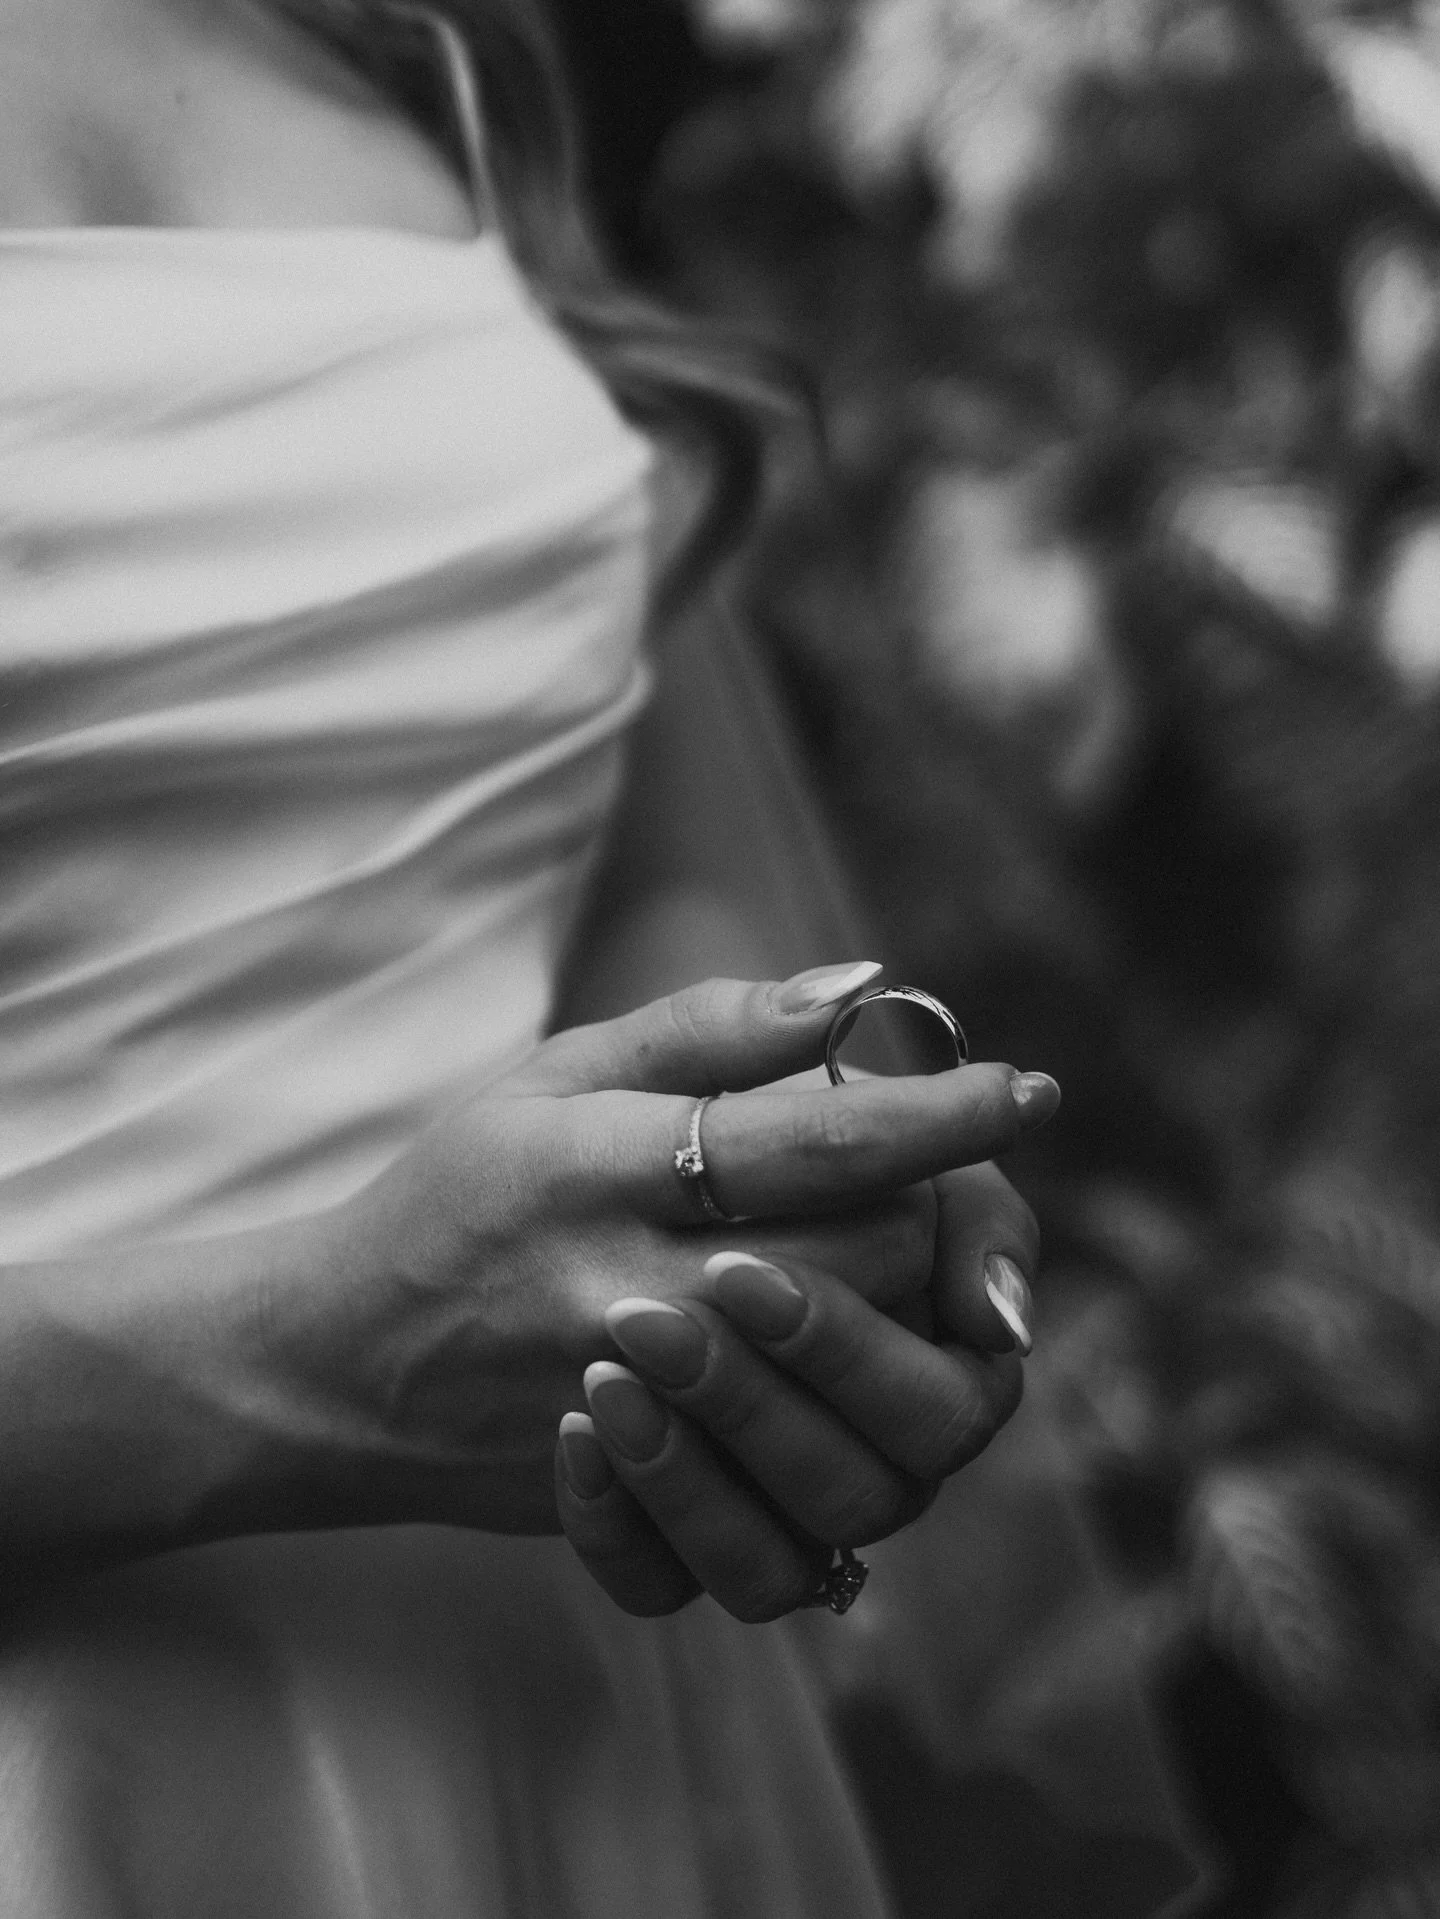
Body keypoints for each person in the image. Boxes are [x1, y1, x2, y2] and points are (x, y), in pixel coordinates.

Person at [0, 0, 1059, 1910]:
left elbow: (651, 848)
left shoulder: (407, 40)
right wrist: (317, 1357)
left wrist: (799, 1174)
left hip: (567, 1711)